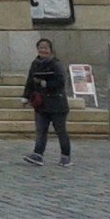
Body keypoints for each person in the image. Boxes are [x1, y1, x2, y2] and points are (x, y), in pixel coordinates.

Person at [22, 37, 71, 166]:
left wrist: (45, 83)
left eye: (45, 48)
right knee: (41, 130)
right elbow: (30, 81)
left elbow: (60, 81)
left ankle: (65, 156)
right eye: (40, 48)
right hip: (41, 103)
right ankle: (38, 154)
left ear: (50, 50)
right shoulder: (35, 63)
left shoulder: (56, 63)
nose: (43, 50)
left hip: (57, 103)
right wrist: (26, 97)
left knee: (60, 131)